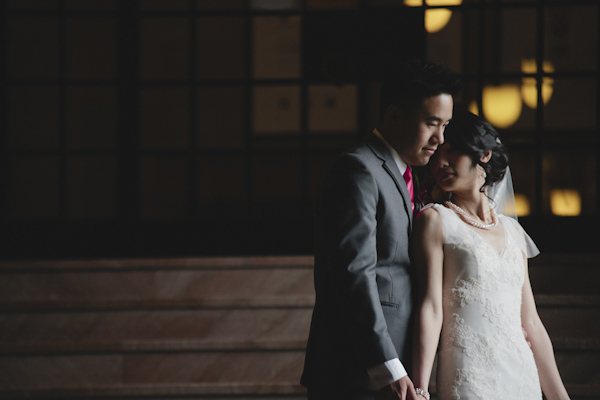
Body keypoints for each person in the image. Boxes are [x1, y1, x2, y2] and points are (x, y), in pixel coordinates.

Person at [300, 59, 461, 400]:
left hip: (398, 367)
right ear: (393, 116)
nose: (440, 138)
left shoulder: (408, 174)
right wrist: (386, 364)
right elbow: (354, 274)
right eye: (432, 123)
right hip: (358, 371)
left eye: (445, 125)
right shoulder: (358, 169)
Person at [411, 111, 570, 400]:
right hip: (469, 373)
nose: (440, 164)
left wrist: (559, 396)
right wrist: (420, 388)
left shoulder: (512, 231)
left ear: (483, 154)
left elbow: (530, 322)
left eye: (451, 152)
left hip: (520, 373)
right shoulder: (435, 220)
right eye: (435, 156)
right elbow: (431, 307)